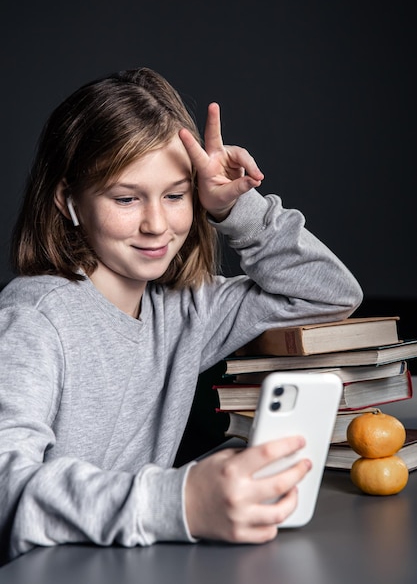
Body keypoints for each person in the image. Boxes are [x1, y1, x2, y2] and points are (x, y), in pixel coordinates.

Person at [0, 67, 363, 563]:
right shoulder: (34, 320)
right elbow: (6, 487)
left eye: (175, 196)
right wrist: (179, 502)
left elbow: (329, 294)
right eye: (126, 199)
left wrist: (234, 212)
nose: (156, 225)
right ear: (70, 202)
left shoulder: (186, 308)